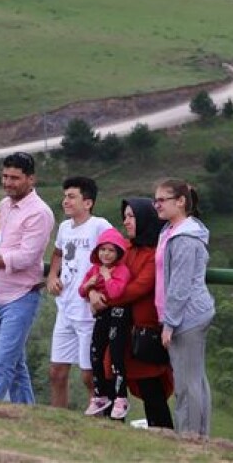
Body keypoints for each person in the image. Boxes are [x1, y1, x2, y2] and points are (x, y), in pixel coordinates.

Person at [0, 152, 54, 404]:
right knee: (15, 365)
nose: (7, 182)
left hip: (21, 296)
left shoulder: (39, 213)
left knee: (2, 363)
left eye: (14, 178)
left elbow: (26, 257)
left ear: (31, 179)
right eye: (4, 176)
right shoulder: (3, 206)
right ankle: (27, 415)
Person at [89, 197, 175, 429]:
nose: (126, 221)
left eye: (131, 216)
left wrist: (104, 299)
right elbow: (97, 272)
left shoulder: (154, 254)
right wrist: (91, 295)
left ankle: (163, 433)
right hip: (116, 327)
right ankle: (112, 430)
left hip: (141, 328)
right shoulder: (122, 248)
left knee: (150, 386)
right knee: (111, 378)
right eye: (125, 216)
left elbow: (139, 287)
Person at [154, 178, 214, 438]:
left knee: (187, 383)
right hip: (184, 315)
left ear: (180, 201)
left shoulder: (185, 238)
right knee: (194, 379)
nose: (157, 205)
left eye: (162, 200)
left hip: (187, 317)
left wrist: (170, 323)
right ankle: (198, 435)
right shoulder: (170, 230)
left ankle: (190, 438)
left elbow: (180, 285)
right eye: (155, 200)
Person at [46, 176, 113, 409]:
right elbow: (58, 254)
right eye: (65, 196)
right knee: (56, 371)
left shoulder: (100, 226)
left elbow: (115, 256)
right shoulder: (64, 227)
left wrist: (96, 288)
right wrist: (52, 276)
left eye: (72, 196)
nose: (66, 201)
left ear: (88, 202)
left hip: (88, 312)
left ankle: (97, 423)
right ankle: (58, 421)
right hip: (65, 307)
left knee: (89, 376)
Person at [78, 228, 132, 419]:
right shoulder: (94, 269)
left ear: (118, 253)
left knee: (116, 356)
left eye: (111, 250)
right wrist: (89, 285)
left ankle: (120, 397)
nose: (106, 254)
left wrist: (107, 277)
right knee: (95, 353)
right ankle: (100, 395)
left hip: (117, 314)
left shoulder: (121, 270)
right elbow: (81, 291)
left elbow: (116, 292)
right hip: (101, 315)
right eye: (102, 249)